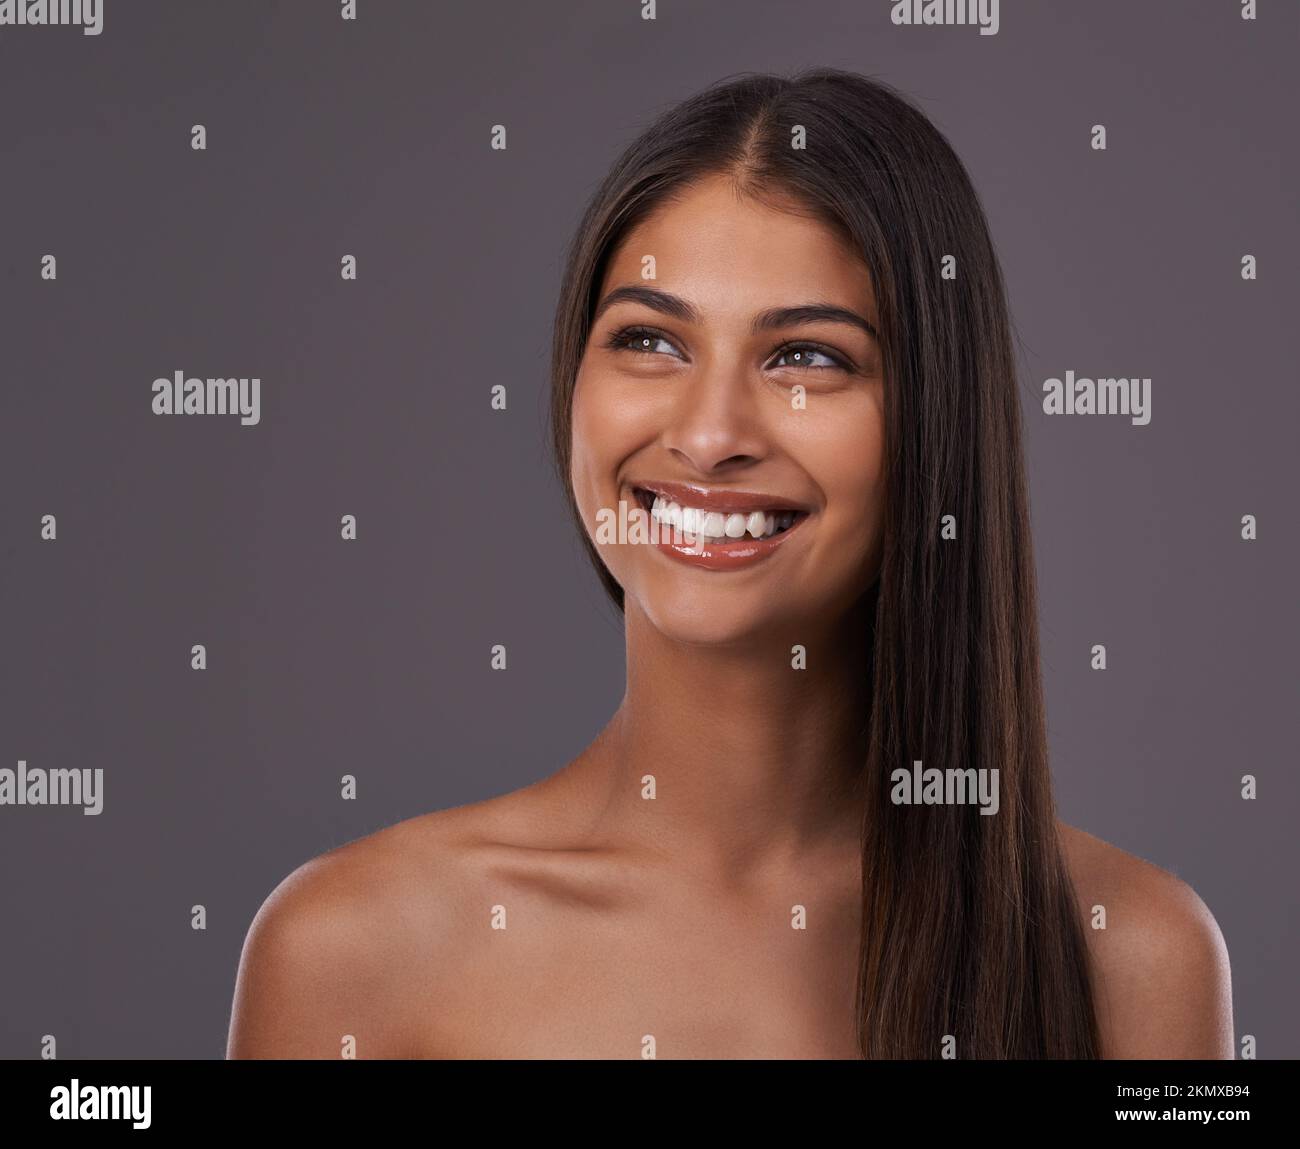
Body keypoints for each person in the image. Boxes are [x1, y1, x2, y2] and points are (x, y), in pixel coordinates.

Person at [227, 67, 1233, 1059]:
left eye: (807, 358)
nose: (709, 437)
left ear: (939, 421)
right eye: (650, 341)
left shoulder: (1133, 957)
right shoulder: (352, 949)